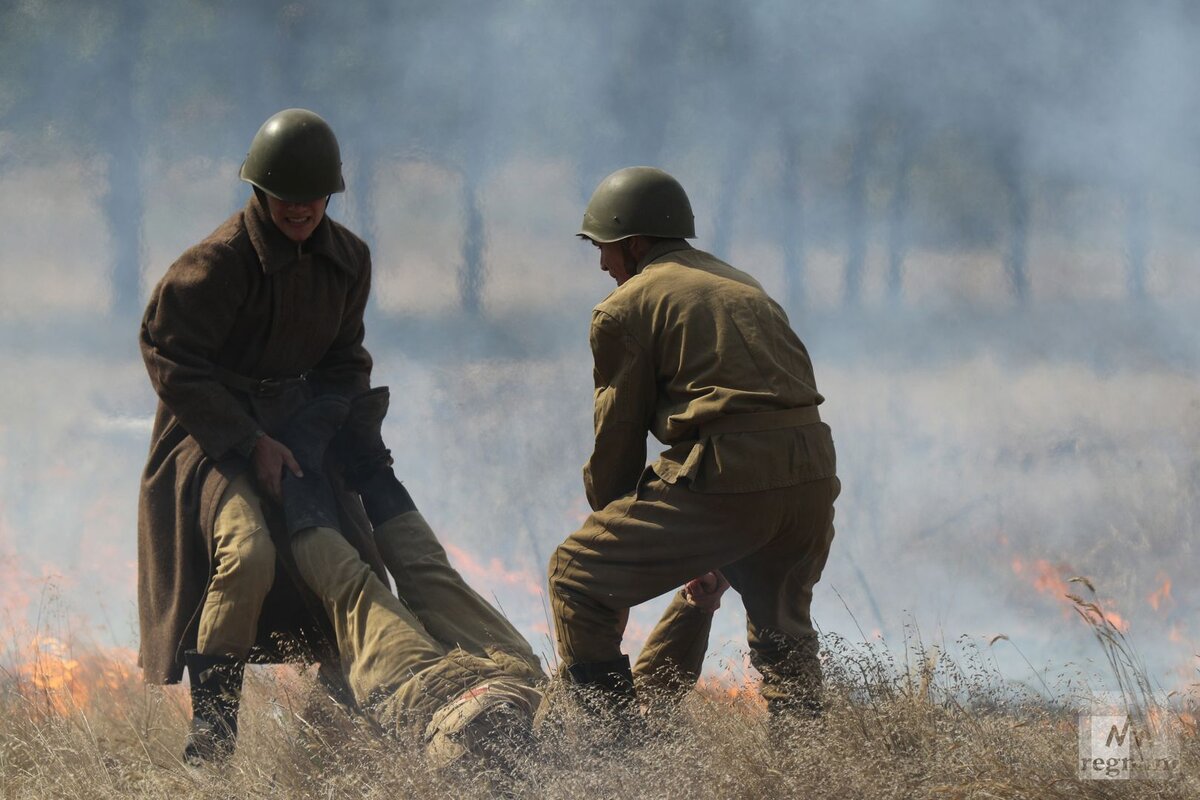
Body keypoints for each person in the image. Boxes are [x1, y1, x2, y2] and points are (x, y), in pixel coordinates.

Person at [138, 108, 392, 764]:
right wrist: (250, 442)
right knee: (247, 554)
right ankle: (212, 750)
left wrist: (343, 445)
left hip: (307, 437)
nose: (301, 209)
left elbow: (345, 364)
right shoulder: (219, 262)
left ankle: (322, 756)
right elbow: (168, 352)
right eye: (287, 195)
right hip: (211, 439)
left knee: (359, 580)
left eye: (314, 196)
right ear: (259, 190)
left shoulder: (349, 261)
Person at [548, 166, 840, 722]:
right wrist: (717, 539)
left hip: (729, 476)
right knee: (785, 643)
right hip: (812, 472)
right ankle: (807, 772)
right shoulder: (743, 284)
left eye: (605, 249)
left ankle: (616, 754)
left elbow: (617, 446)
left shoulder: (625, 307)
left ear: (634, 243)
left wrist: (624, 528)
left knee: (575, 573)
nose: (603, 263)